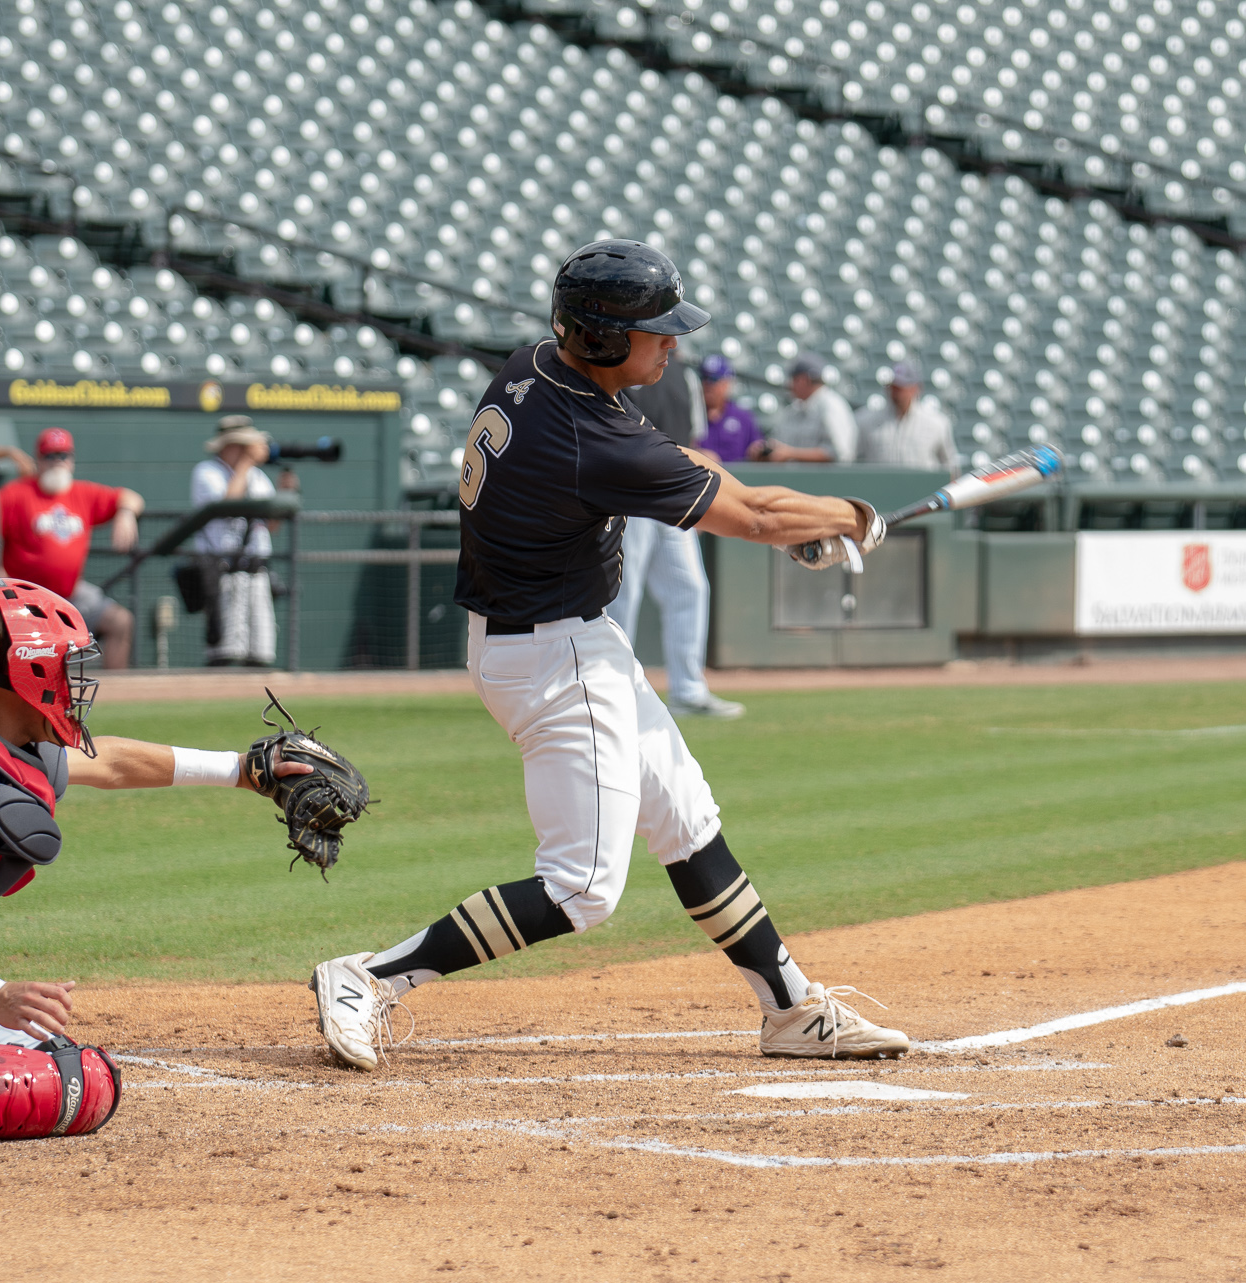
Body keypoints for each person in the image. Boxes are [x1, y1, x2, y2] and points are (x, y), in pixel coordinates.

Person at [308, 239, 903, 1070]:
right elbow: (758, 513)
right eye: (657, 331)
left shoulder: (537, 367)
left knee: (687, 821)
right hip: (554, 658)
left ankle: (791, 1007)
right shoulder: (591, 436)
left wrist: (802, 523)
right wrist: (844, 513)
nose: (673, 344)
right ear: (603, 338)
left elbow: (686, 466)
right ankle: (371, 976)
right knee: (583, 887)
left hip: (563, 641)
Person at [0, 578, 308, 1149]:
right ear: (24, 674)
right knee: (72, 1078)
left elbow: (111, 763)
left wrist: (243, 769)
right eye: (64, 666)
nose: (75, 683)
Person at [611, 350, 746, 721]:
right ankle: (610, 690)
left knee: (690, 588)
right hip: (631, 493)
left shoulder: (682, 373)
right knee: (622, 594)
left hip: (671, 496)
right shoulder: (625, 359)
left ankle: (687, 690)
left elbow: (694, 438)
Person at [0, 428, 145, 670]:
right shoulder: (16, 493)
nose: (57, 462)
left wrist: (125, 513)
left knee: (121, 622)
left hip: (71, 595)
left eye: (63, 456)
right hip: (27, 601)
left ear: (72, 460)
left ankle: (118, 694)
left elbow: (132, 497)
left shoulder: (83, 493)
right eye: (50, 456)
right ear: (38, 460)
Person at [189, 415, 278, 668]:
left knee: (261, 653)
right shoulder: (207, 471)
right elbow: (227, 506)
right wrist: (247, 463)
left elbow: (271, 525)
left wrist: (287, 493)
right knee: (226, 653)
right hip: (224, 570)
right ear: (227, 445)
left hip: (257, 569)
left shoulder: (259, 476)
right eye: (241, 444)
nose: (247, 449)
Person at [855, 360, 960, 475]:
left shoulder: (937, 422)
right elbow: (854, 460)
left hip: (922, 488)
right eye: (894, 387)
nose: (897, 393)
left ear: (915, 388)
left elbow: (950, 465)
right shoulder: (867, 420)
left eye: (902, 387)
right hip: (880, 488)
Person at [748, 352, 856, 463]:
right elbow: (781, 444)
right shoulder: (795, 408)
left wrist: (791, 453)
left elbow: (840, 454)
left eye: (793, 379)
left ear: (804, 380)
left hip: (827, 479)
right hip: (795, 478)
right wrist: (766, 449)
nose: (789, 385)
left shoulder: (832, 405)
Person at [697, 354, 760, 465]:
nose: (708, 384)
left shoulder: (742, 417)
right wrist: (697, 453)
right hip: (700, 478)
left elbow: (756, 447)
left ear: (726, 383)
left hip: (737, 478)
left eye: (714, 379)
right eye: (704, 378)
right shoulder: (690, 414)